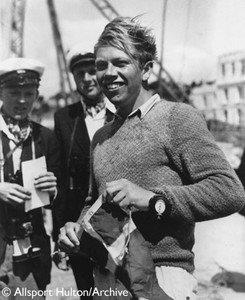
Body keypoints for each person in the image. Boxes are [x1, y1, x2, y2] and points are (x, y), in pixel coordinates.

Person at [58, 17, 245, 300]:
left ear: (145, 69)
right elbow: (93, 202)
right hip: (108, 281)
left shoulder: (177, 118)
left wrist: (152, 199)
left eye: (120, 63)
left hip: (163, 279)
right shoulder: (101, 138)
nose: (108, 73)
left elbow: (229, 191)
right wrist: (75, 229)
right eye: (101, 65)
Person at [53, 45, 114, 297]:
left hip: (116, 222)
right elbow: (58, 181)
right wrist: (59, 240)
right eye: (80, 74)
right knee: (87, 293)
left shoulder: (120, 111)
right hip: (78, 227)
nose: (87, 79)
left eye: (92, 71)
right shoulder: (64, 118)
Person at [0, 57, 60, 296]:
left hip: (30, 249)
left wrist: (53, 190)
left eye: (29, 92)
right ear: (1, 92)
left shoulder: (44, 137)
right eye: (15, 92)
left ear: (37, 95)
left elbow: (57, 198)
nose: (22, 100)